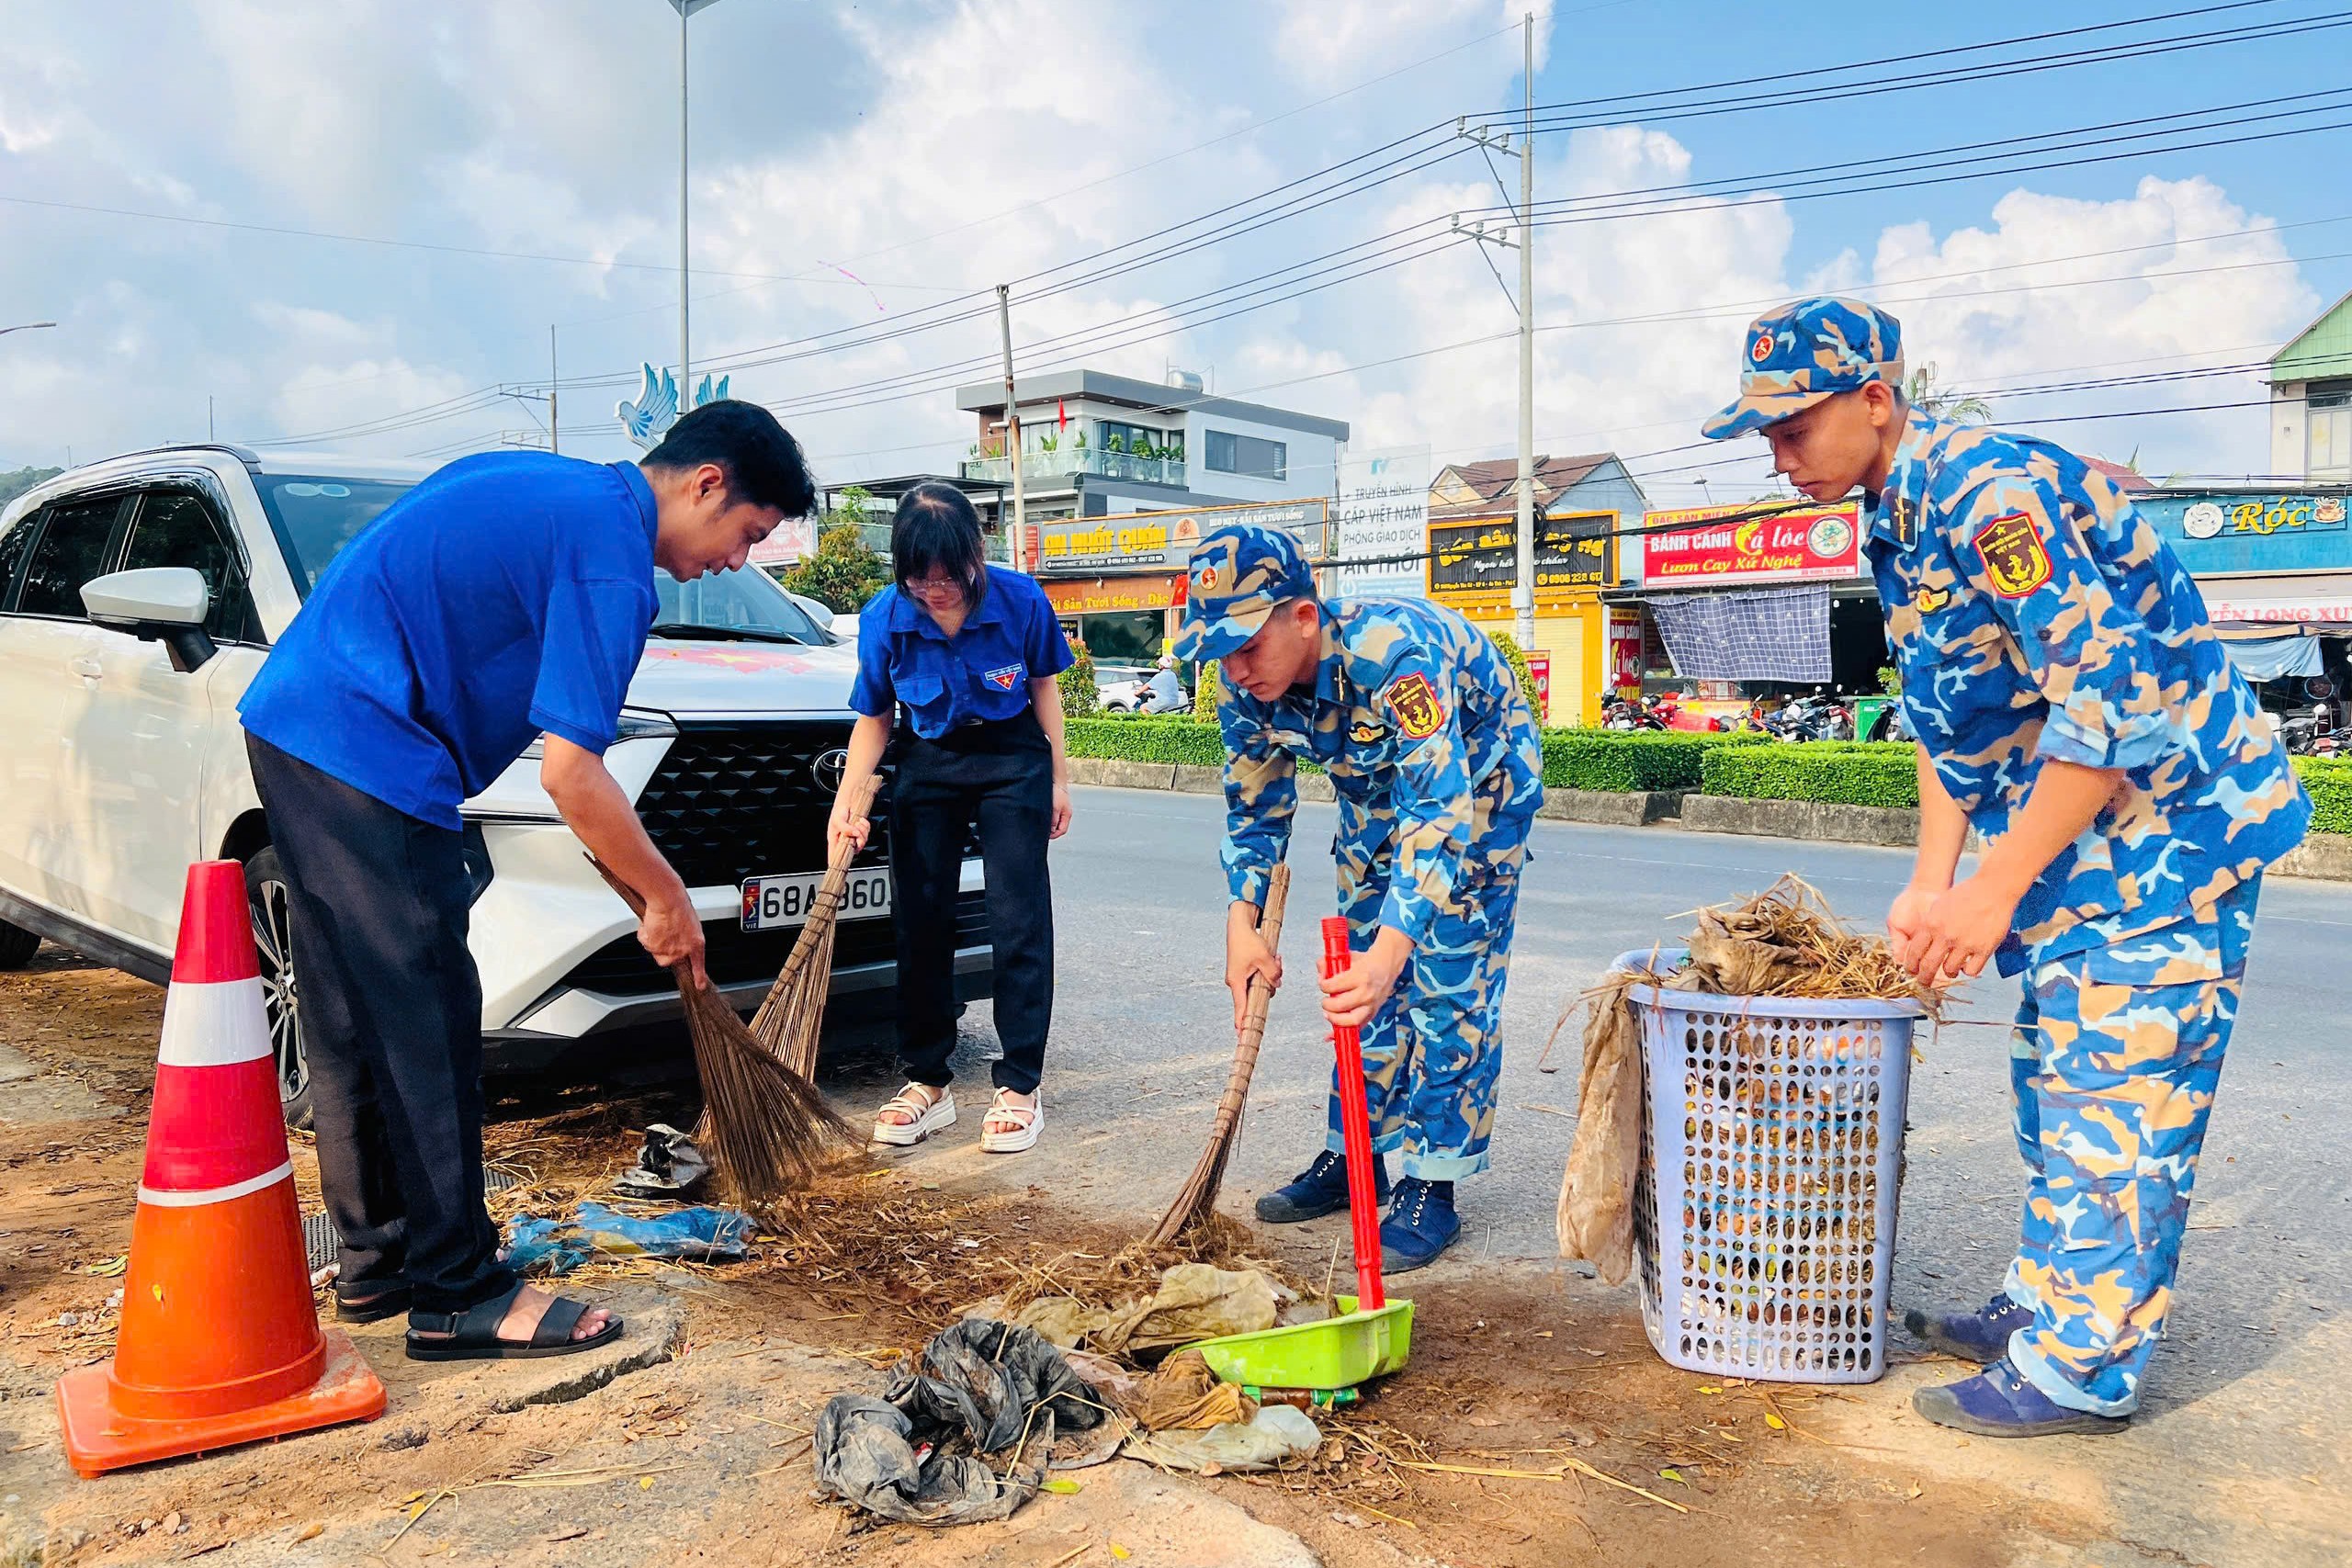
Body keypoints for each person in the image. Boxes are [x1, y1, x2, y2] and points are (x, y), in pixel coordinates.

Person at [1702, 298, 2310, 1436]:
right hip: (2085, 842)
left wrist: (1991, 890)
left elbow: (2105, 703)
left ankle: (2084, 1369)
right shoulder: (1894, 511)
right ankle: (2040, 1305)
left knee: (2118, 1096)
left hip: (2175, 836)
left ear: (1874, 401)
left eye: (1790, 428)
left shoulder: (1993, 495)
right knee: (2050, 1077)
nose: (1776, 456)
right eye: (1765, 436)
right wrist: (1935, 884)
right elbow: (1948, 720)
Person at [239, 401, 817, 1360]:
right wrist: (667, 897)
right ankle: (457, 1292)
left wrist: (640, 886)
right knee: (427, 1016)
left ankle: (380, 1263)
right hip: (370, 744)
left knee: (351, 1018)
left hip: (299, 722)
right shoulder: (610, 557)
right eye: (747, 535)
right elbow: (572, 775)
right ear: (706, 483)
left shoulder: (550, 487)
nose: (736, 561)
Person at [1174, 524, 1544, 1271]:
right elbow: (1255, 811)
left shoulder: (1395, 656)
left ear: (1303, 617)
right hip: (1375, 795)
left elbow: (1441, 806)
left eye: (1247, 645)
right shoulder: (1243, 685)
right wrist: (1241, 925)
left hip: (1479, 786)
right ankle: (1358, 1155)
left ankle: (1431, 1183)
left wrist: (1395, 951)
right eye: (1219, 651)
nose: (1235, 667)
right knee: (1357, 978)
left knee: (1444, 981)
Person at [830, 483, 1074, 1155]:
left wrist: (1057, 777)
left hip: (1012, 759)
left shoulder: (1021, 599)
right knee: (921, 919)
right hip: (927, 759)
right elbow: (875, 717)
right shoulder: (884, 617)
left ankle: (1021, 1084)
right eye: (920, 579)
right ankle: (927, 1081)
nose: (936, 591)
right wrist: (848, 802)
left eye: (950, 577)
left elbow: (1045, 687)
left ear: (977, 554)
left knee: (1017, 917)